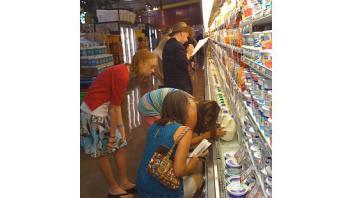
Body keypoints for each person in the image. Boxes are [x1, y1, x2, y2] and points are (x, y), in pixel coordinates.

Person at [80, 49, 157, 198]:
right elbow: (115, 107)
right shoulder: (123, 74)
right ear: (141, 63)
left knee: (120, 148)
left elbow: (117, 104)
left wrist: (121, 129)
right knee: (102, 153)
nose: (153, 71)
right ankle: (113, 188)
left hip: (104, 110)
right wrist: (113, 134)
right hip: (93, 112)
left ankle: (123, 182)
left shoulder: (126, 71)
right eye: (151, 66)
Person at [136, 91, 207, 197]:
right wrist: (191, 166)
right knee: (199, 174)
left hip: (142, 185)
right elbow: (179, 171)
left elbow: (163, 151)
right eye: (194, 109)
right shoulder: (185, 131)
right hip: (162, 193)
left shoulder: (155, 125)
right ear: (184, 111)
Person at [138, 88, 225, 145]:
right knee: (164, 135)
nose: (206, 123)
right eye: (207, 121)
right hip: (148, 105)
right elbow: (184, 141)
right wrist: (208, 135)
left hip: (153, 99)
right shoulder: (190, 113)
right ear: (205, 118)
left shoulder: (194, 104)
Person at [162, 22, 195, 94]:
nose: (187, 40)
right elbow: (183, 63)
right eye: (186, 36)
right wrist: (189, 53)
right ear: (182, 33)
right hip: (179, 87)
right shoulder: (177, 46)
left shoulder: (168, 44)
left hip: (171, 85)